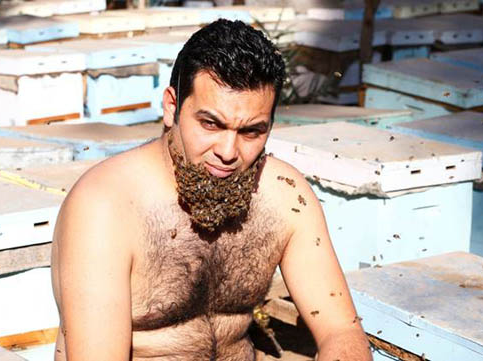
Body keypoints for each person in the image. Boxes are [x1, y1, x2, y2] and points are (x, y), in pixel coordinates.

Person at [51, 19, 372, 361]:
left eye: (251, 132)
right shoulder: (105, 207)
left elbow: (342, 330)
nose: (229, 151)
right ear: (172, 107)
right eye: (210, 124)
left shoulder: (285, 196)